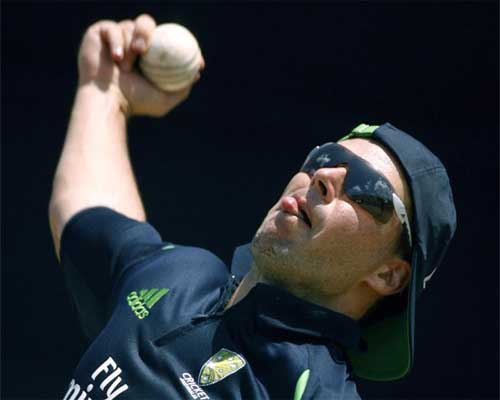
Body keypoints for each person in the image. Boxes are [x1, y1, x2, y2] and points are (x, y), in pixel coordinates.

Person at [50, 14, 456, 400]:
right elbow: (87, 209)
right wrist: (105, 91)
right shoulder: (182, 275)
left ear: (388, 274)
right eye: (326, 157)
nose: (324, 177)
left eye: (369, 189)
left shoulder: (313, 391)